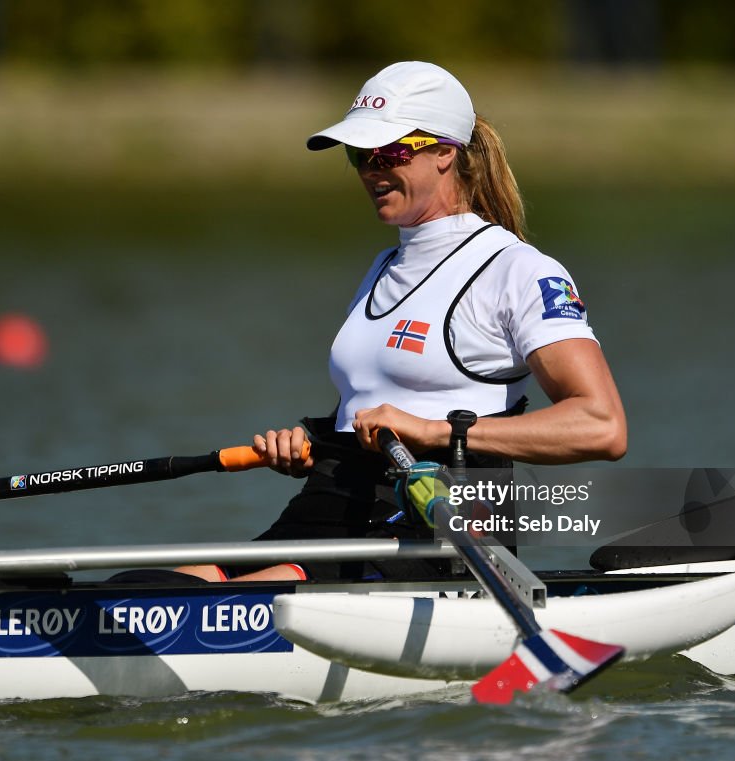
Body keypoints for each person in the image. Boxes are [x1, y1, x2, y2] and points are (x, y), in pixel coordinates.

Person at [179, 61, 626, 583]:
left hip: (433, 520)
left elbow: (603, 426)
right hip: (330, 505)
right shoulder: (384, 266)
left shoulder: (518, 271)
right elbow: (371, 402)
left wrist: (434, 431)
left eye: (388, 152)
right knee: (155, 588)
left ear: (444, 153)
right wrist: (309, 442)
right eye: (359, 155)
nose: (370, 169)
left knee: (231, 599)